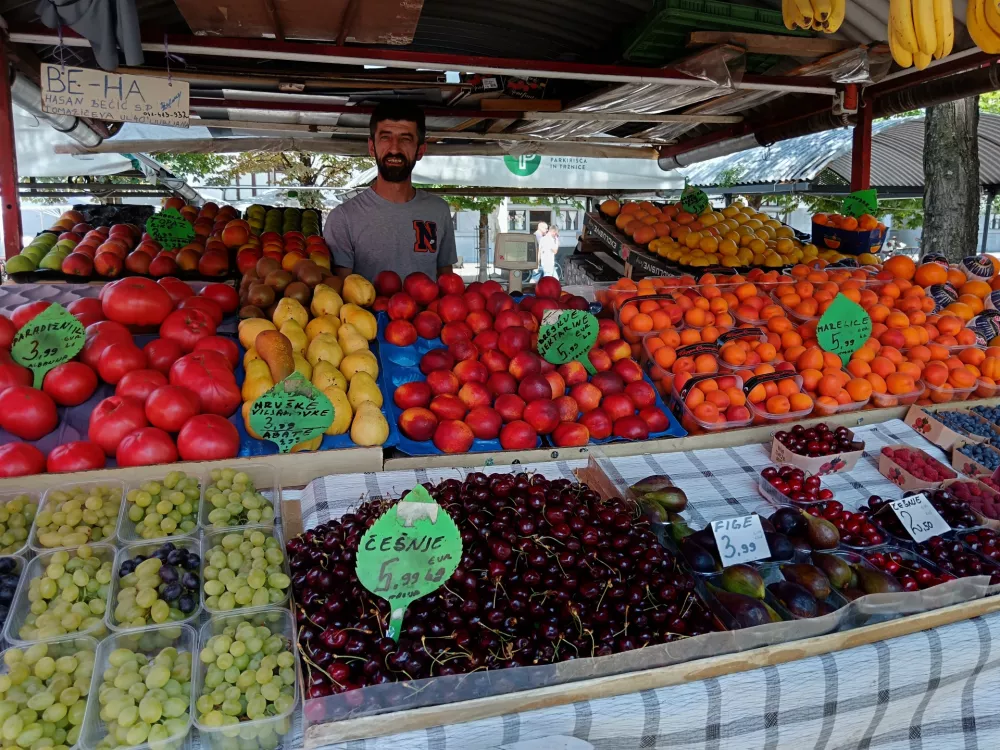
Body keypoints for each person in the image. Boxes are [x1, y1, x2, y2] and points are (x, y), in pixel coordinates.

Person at [324, 101, 457, 280]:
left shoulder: (438, 210)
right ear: (372, 147)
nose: (395, 148)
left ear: (420, 150)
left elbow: (447, 282)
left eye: (406, 139)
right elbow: (338, 294)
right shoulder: (343, 218)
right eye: (386, 137)